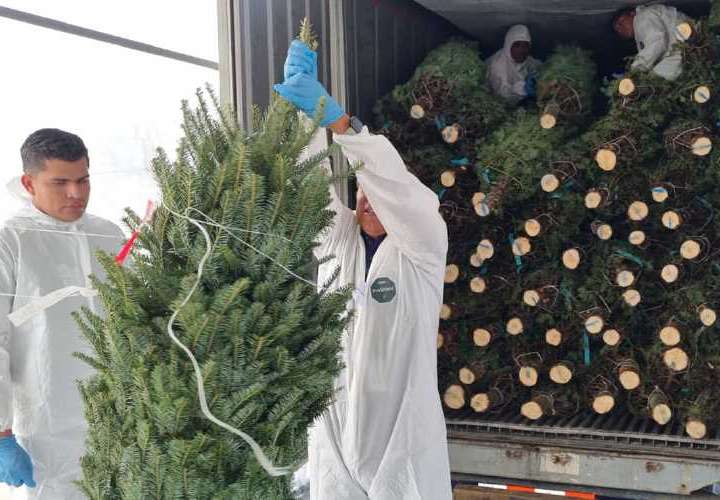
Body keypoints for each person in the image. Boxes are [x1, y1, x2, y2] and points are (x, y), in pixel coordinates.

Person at [275, 41, 452, 499]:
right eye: (360, 190)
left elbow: (393, 184)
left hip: (401, 442)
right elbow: (306, 186)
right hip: (335, 433)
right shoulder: (338, 244)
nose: (368, 199)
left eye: (378, 193)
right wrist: (304, 117)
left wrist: (339, 121)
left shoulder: (422, 252)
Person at [0, 129, 124, 499]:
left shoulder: (109, 234)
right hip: (47, 424)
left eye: (83, 180)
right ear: (29, 182)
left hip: (122, 414)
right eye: (61, 182)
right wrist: (1, 431)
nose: (76, 193)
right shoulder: (12, 240)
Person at [612, 4, 691, 81]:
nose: (620, 29)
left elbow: (657, 42)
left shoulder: (642, 16)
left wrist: (635, 70)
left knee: (651, 81)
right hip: (683, 51)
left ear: (632, 14)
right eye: (617, 30)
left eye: (620, 23)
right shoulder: (641, 30)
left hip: (685, 50)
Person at [486, 24, 542, 104]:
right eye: (517, 45)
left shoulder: (525, 59)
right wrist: (523, 88)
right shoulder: (497, 65)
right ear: (508, 45)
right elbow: (500, 96)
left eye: (525, 45)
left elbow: (536, 65)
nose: (522, 50)